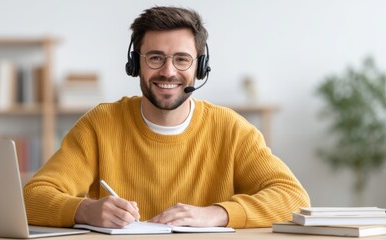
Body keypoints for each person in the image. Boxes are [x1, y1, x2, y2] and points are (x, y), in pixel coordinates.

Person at [24, 6, 310, 229]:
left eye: (182, 59)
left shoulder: (231, 129)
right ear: (135, 64)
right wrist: (84, 210)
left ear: (201, 67)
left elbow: (294, 198)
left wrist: (218, 213)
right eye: (155, 58)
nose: (169, 72)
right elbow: (32, 197)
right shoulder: (101, 123)